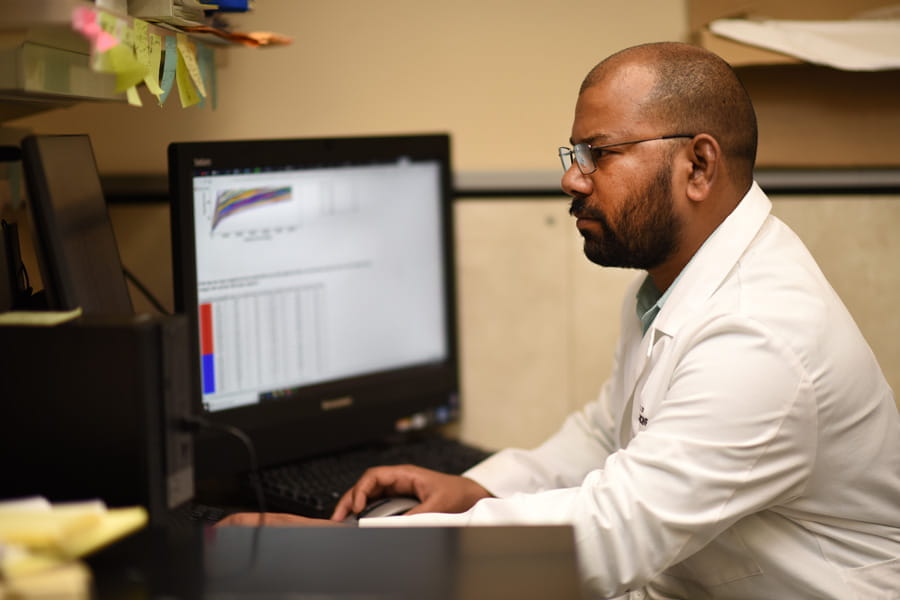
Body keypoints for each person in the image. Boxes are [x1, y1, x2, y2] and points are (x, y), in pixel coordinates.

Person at [219, 42, 900, 599]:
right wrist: (482, 486)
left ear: (698, 164)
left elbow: (608, 531)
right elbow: (610, 432)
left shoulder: (762, 337)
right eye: (573, 155)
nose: (573, 180)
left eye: (599, 155)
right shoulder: (679, 281)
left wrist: (336, 552)